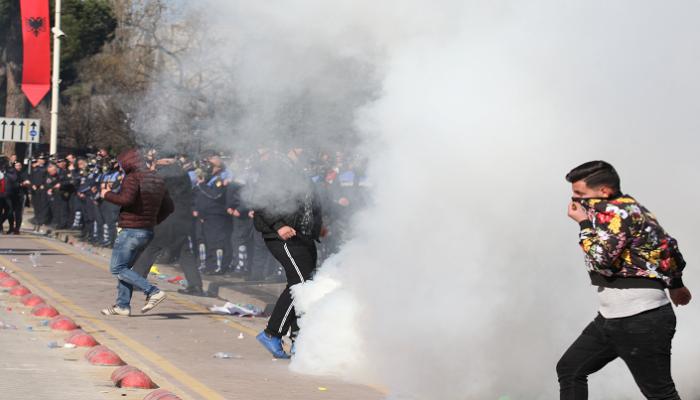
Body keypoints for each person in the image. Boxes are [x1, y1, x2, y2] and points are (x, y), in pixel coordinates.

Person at [557, 161, 691, 400]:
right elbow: (668, 246)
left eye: (579, 193)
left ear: (604, 191)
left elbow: (602, 260)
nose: (575, 198)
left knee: (660, 394)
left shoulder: (617, 213)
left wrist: (583, 224)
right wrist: (676, 284)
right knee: (570, 368)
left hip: (640, 320)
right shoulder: (629, 207)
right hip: (612, 317)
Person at [253, 147, 323, 359]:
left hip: (304, 235)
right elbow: (261, 201)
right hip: (283, 235)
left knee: (304, 284)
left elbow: (311, 202)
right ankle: (272, 333)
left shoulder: (300, 170)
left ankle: (297, 339)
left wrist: (319, 225)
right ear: (293, 146)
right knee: (300, 285)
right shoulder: (276, 168)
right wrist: (279, 225)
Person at [100, 148, 173, 316]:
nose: (120, 168)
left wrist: (107, 194)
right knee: (126, 269)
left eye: (121, 164)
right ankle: (122, 306)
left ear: (128, 162)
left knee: (117, 269)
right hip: (147, 231)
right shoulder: (157, 178)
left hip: (131, 231)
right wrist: (152, 220)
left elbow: (126, 199)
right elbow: (170, 207)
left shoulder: (132, 178)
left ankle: (153, 291)